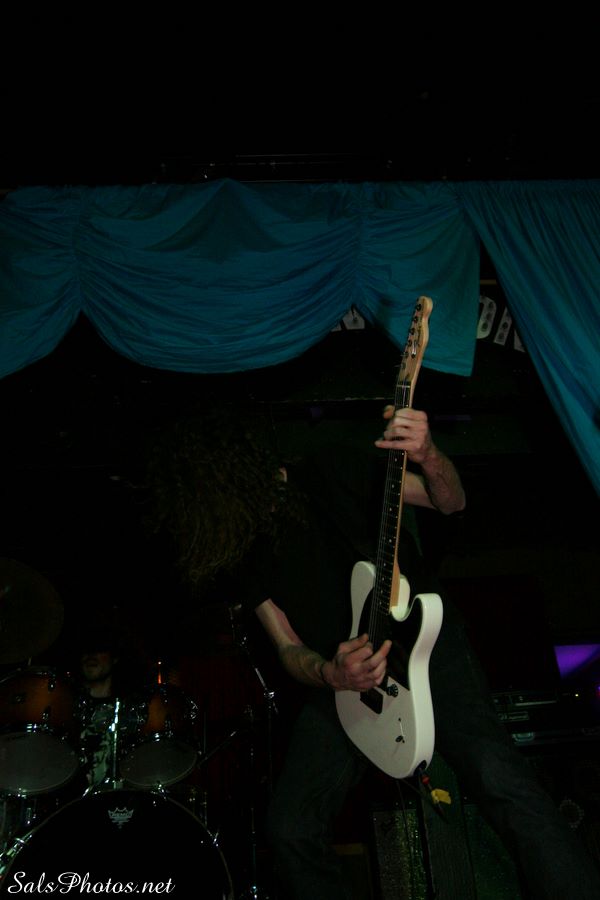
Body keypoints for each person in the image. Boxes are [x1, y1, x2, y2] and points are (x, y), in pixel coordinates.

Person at [144, 406, 600, 900]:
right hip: (346, 686)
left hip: (422, 649)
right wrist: (330, 672)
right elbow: (288, 646)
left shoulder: (332, 467)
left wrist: (429, 454)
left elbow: (450, 501)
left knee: (502, 784)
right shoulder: (241, 549)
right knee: (291, 829)